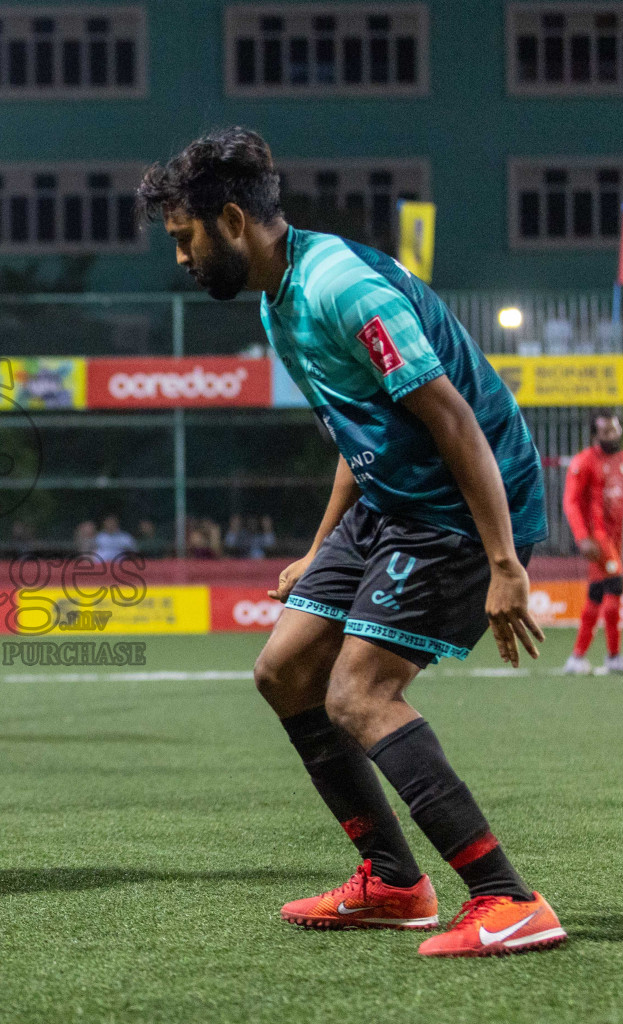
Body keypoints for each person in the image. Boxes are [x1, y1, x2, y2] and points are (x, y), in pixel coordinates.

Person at [140, 127, 564, 957]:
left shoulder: (341, 288)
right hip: (390, 499)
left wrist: (505, 562)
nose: (181, 260)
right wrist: (319, 546)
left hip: (457, 505)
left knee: (358, 694)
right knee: (285, 670)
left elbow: (453, 418)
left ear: (231, 220)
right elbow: (358, 425)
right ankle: (395, 883)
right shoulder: (277, 297)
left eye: (184, 239)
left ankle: (508, 899)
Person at [562, 410, 623, 676]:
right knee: (616, 585)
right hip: (597, 540)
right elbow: (571, 502)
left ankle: (577, 658)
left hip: (616, 539)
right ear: (595, 436)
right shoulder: (584, 462)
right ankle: (613, 657)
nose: (612, 435)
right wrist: (581, 537)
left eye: (615, 430)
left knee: (597, 594)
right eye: (605, 432)